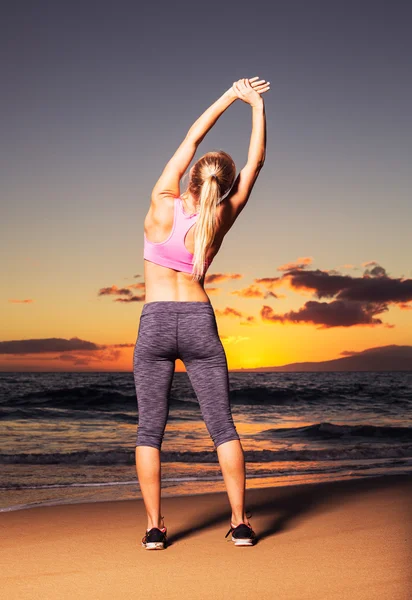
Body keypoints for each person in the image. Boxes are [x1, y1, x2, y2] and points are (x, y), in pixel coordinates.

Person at [134, 77, 269, 549]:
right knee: (222, 425)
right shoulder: (220, 218)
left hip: (154, 322)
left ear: (189, 176)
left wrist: (232, 95)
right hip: (198, 320)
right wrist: (257, 107)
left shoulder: (160, 203)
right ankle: (240, 523)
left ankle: (154, 528)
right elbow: (256, 163)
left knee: (149, 429)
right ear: (223, 186)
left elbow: (191, 138)